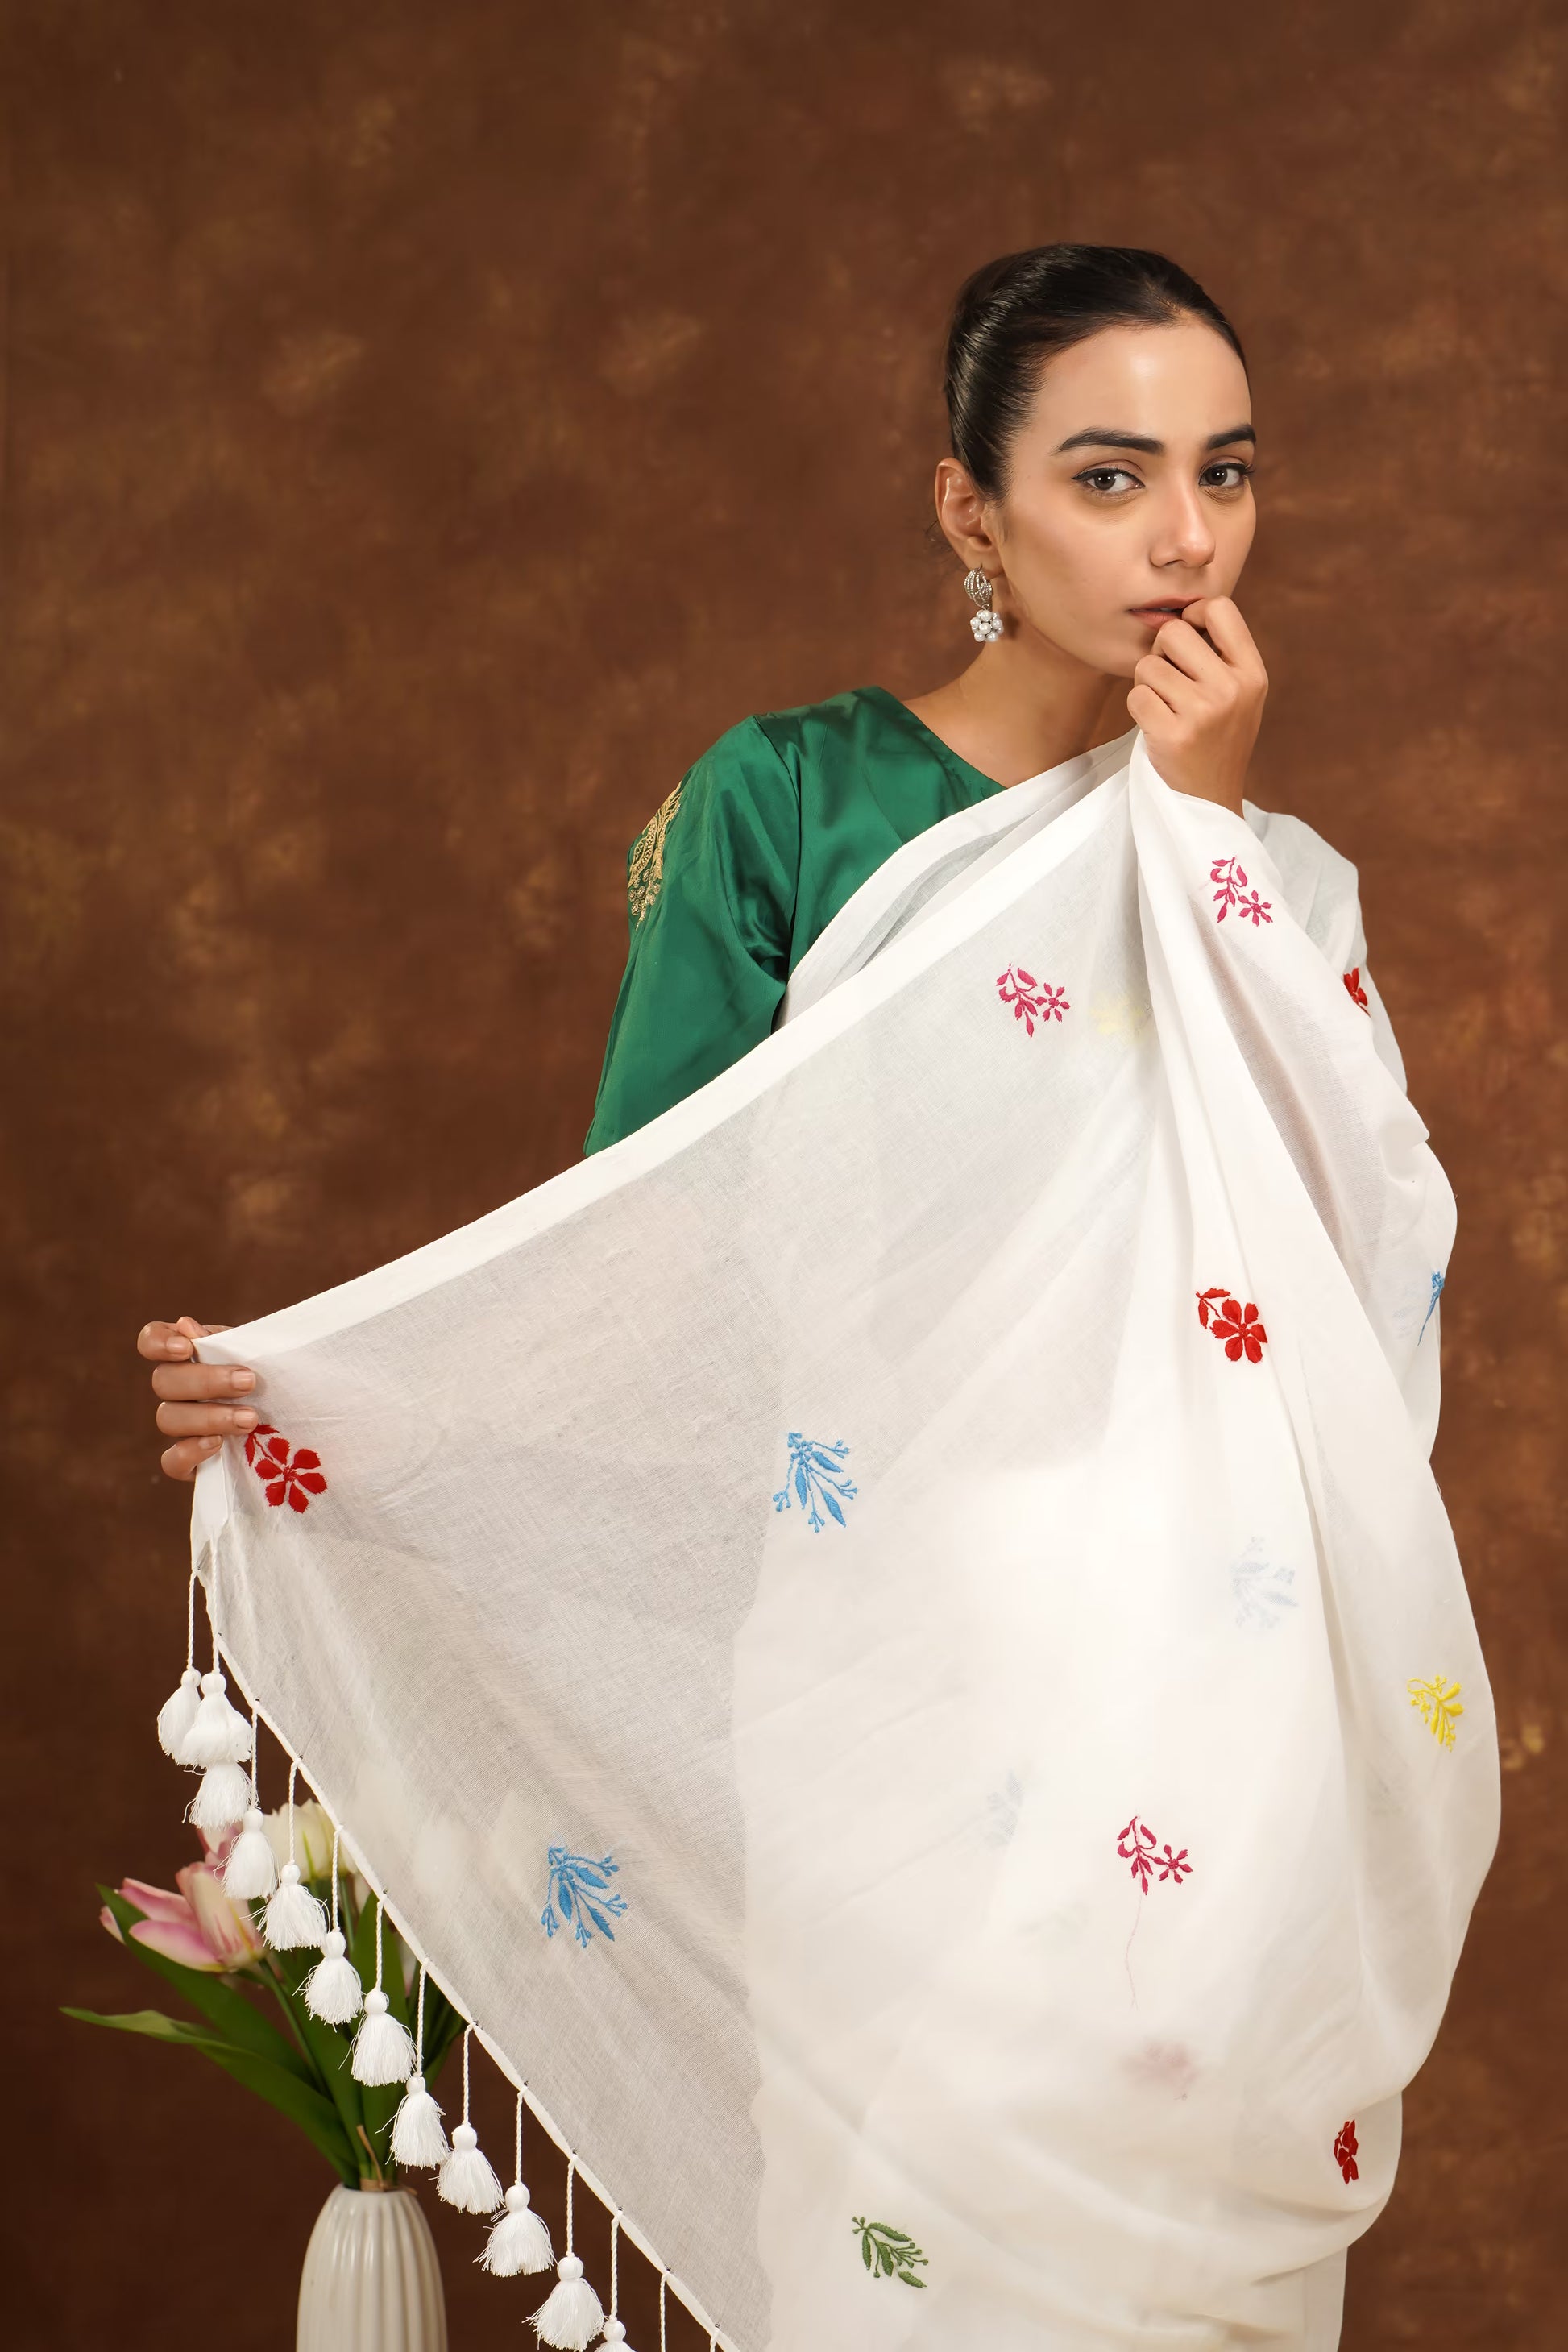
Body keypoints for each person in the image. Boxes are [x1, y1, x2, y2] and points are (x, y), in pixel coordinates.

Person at [139, 241, 1267, 1444]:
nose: (1190, 538)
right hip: (887, 1528)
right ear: (970, 515)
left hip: (1195, 1537)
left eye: (1227, 474)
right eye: (1111, 479)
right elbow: (643, 1241)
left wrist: (1203, 835)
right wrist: (317, 1398)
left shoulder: (1262, 865)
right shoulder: (791, 799)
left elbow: (1326, 1222)